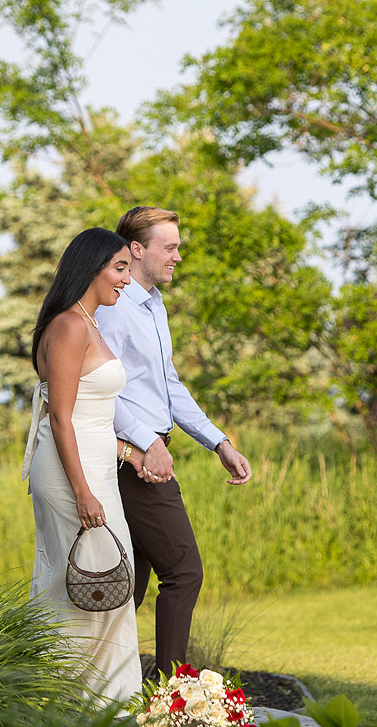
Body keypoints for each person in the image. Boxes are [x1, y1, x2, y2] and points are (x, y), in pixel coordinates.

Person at [94, 206, 253, 677]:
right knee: (183, 571)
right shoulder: (116, 308)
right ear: (137, 249)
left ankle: (105, 691)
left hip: (153, 452)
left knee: (133, 586)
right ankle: (172, 697)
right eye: (171, 247)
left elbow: (169, 385)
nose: (178, 256)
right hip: (133, 460)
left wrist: (219, 442)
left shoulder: (152, 303)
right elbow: (104, 387)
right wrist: (146, 442)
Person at [22, 227, 140, 702]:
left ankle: (105, 701)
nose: (126, 280)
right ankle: (71, 700)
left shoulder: (88, 322)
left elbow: (91, 419)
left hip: (94, 467)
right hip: (75, 477)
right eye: (119, 268)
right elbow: (62, 419)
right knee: (85, 588)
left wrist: (129, 454)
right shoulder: (70, 326)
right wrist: (84, 491)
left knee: (106, 585)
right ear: (90, 268)